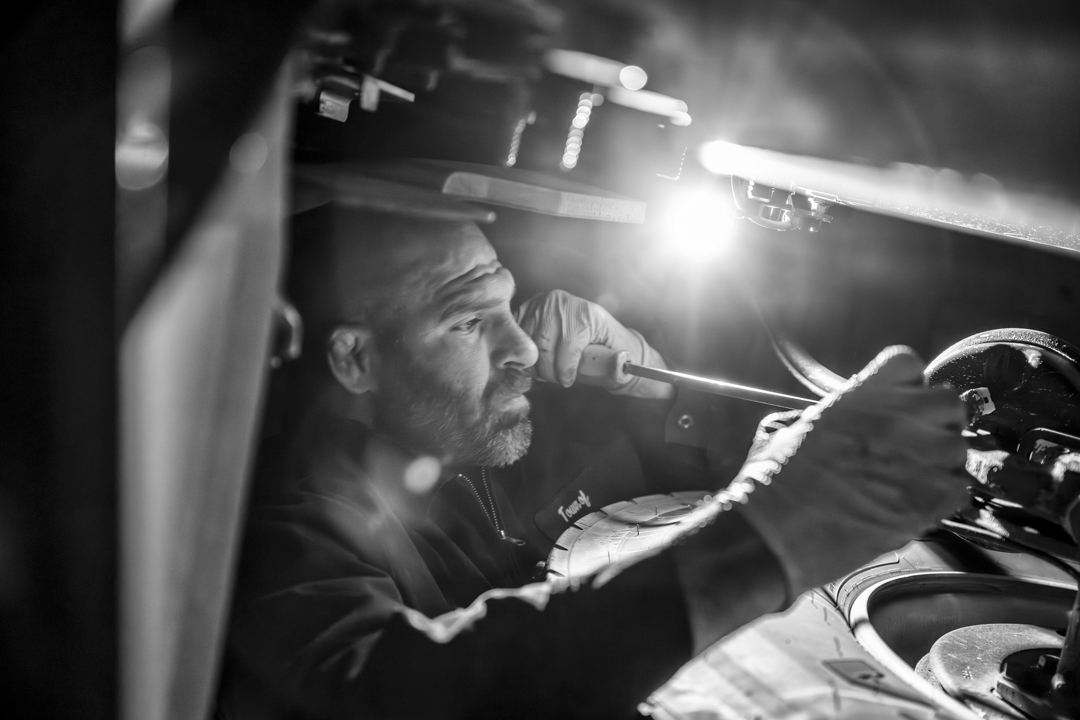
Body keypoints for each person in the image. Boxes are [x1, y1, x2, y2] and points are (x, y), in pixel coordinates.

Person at [217, 203, 969, 719]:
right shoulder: (274, 535)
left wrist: (654, 385)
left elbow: (717, 463)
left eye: (510, 305)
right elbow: (399, 697)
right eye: (470, 321)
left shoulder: (506, 421)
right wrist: (761, 541)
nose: (521, 349)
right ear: (355, 357)